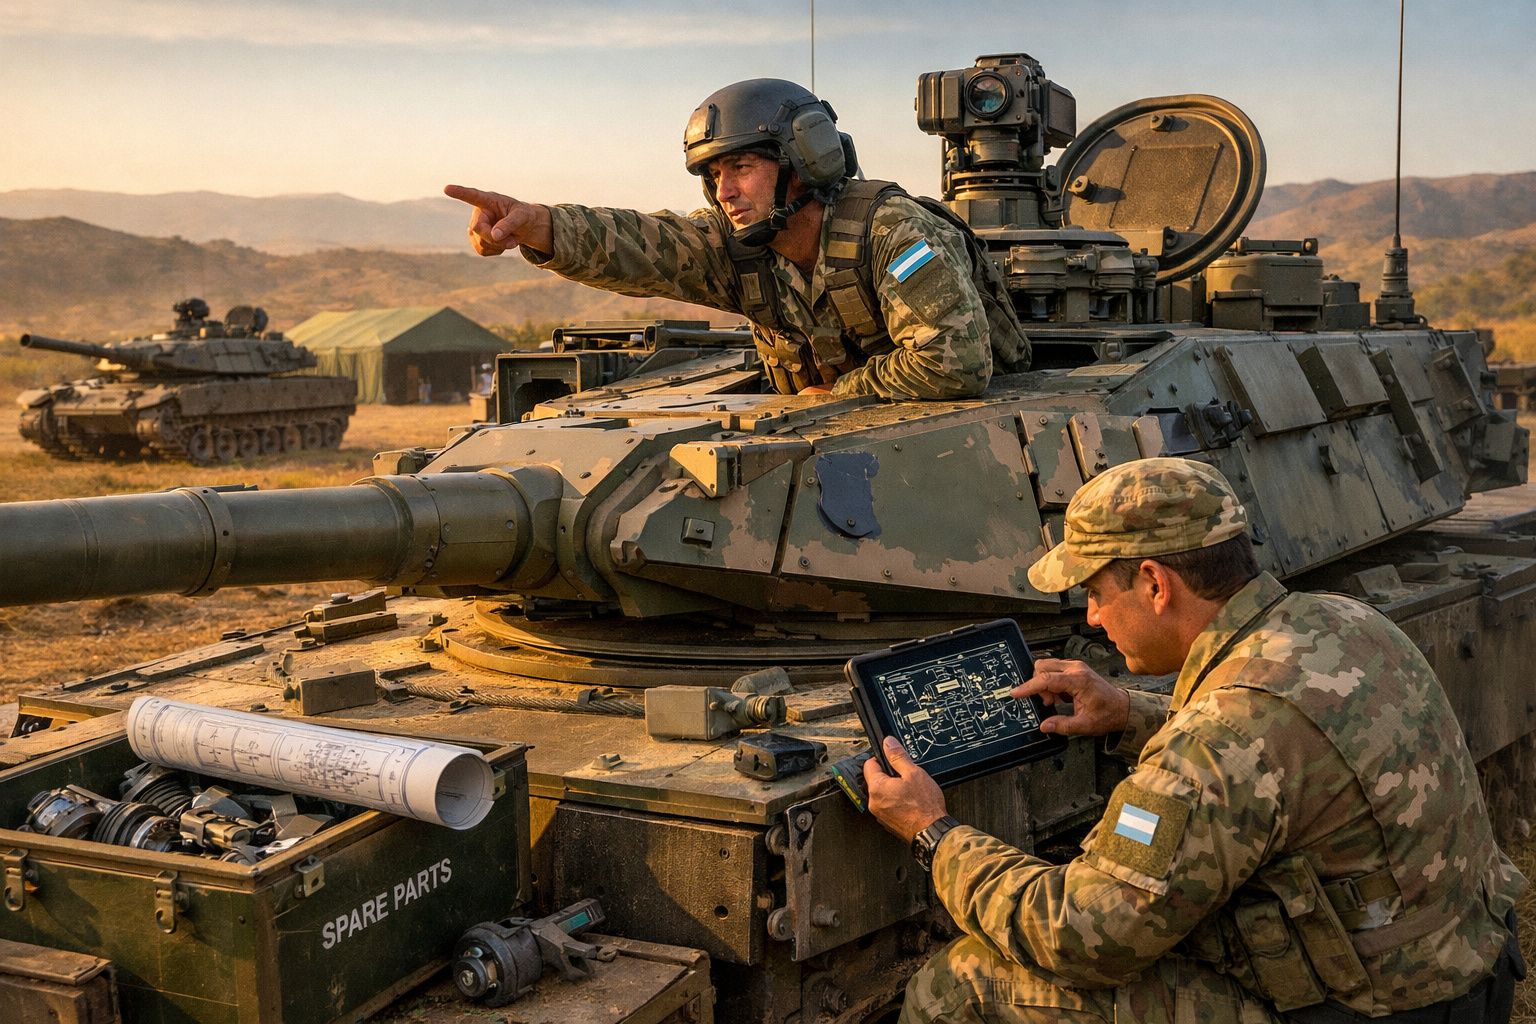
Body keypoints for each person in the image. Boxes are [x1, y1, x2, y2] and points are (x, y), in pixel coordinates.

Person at [865, 457, 1527, 1023]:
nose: (1092, 617)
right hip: (1467, 981)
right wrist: (1128, 714)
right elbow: (1284, 749)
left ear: (1155, 583)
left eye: (1095, 592)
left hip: (1367, 1010)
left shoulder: (1221, 740)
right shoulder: (1341, 622)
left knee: (965, 981)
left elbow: (1081, 938)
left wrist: (933, 830)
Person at [444, 78, 1029, 400]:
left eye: (742, 168)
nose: (725, 191)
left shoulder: (894, 232)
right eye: (715, 175)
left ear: (803, 163)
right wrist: (538, 225)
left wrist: (839, 392)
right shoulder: (743, 248)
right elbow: (645, 244)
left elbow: (953, 363)